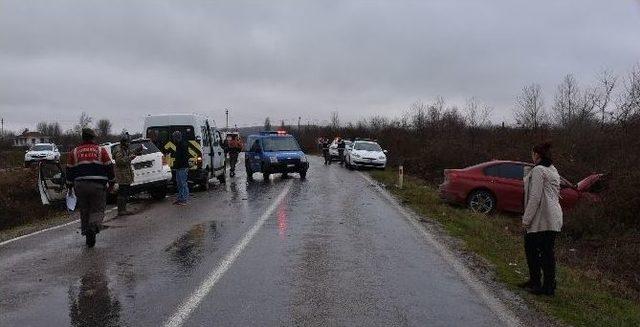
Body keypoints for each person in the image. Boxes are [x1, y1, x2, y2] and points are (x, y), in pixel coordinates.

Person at [519, 141, 563, 296]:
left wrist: (526, 220)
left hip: (543, 218)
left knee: (535, 250)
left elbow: (535, 197)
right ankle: (540, 282)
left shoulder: (539, 170)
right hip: (553, 217)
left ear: (536, 155)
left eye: (532, 153)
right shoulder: (552, 169)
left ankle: (544, 285)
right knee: (545, 252)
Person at [66, 128, 115, 247]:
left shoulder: (74, 152)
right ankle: (93, 227)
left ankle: (87, 233)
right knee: (98, 209)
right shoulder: (100, 150)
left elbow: (69, 169)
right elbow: (109, 167)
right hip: (97, 186)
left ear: (82, 138)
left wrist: (69, 186)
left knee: (84, 210)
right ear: (93, 137)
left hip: (80, 186)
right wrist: (112, 182)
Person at [113, 133, 142, 215]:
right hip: (122, 175)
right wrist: (130, 158)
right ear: (123, 142)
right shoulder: (119, 150)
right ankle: (121, 210)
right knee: (122, 193)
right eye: (127, 142)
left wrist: (137, 150)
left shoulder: (124, 149)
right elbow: (119, 161)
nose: (129, 144)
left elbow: (130, 152)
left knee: (125, 193)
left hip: (126, 174)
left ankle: (123, 209)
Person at [172, 131, 190, 205]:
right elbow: (178, 157)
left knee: (183, 184)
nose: (173, 139)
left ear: (177, 137)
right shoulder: (178, 145)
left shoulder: (183, 145)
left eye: (174, 138)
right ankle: (180, 198)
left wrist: (176, 165)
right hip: (179, 167)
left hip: (183, 167)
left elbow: (182, 157)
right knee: (179, 184)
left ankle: (184, 199)